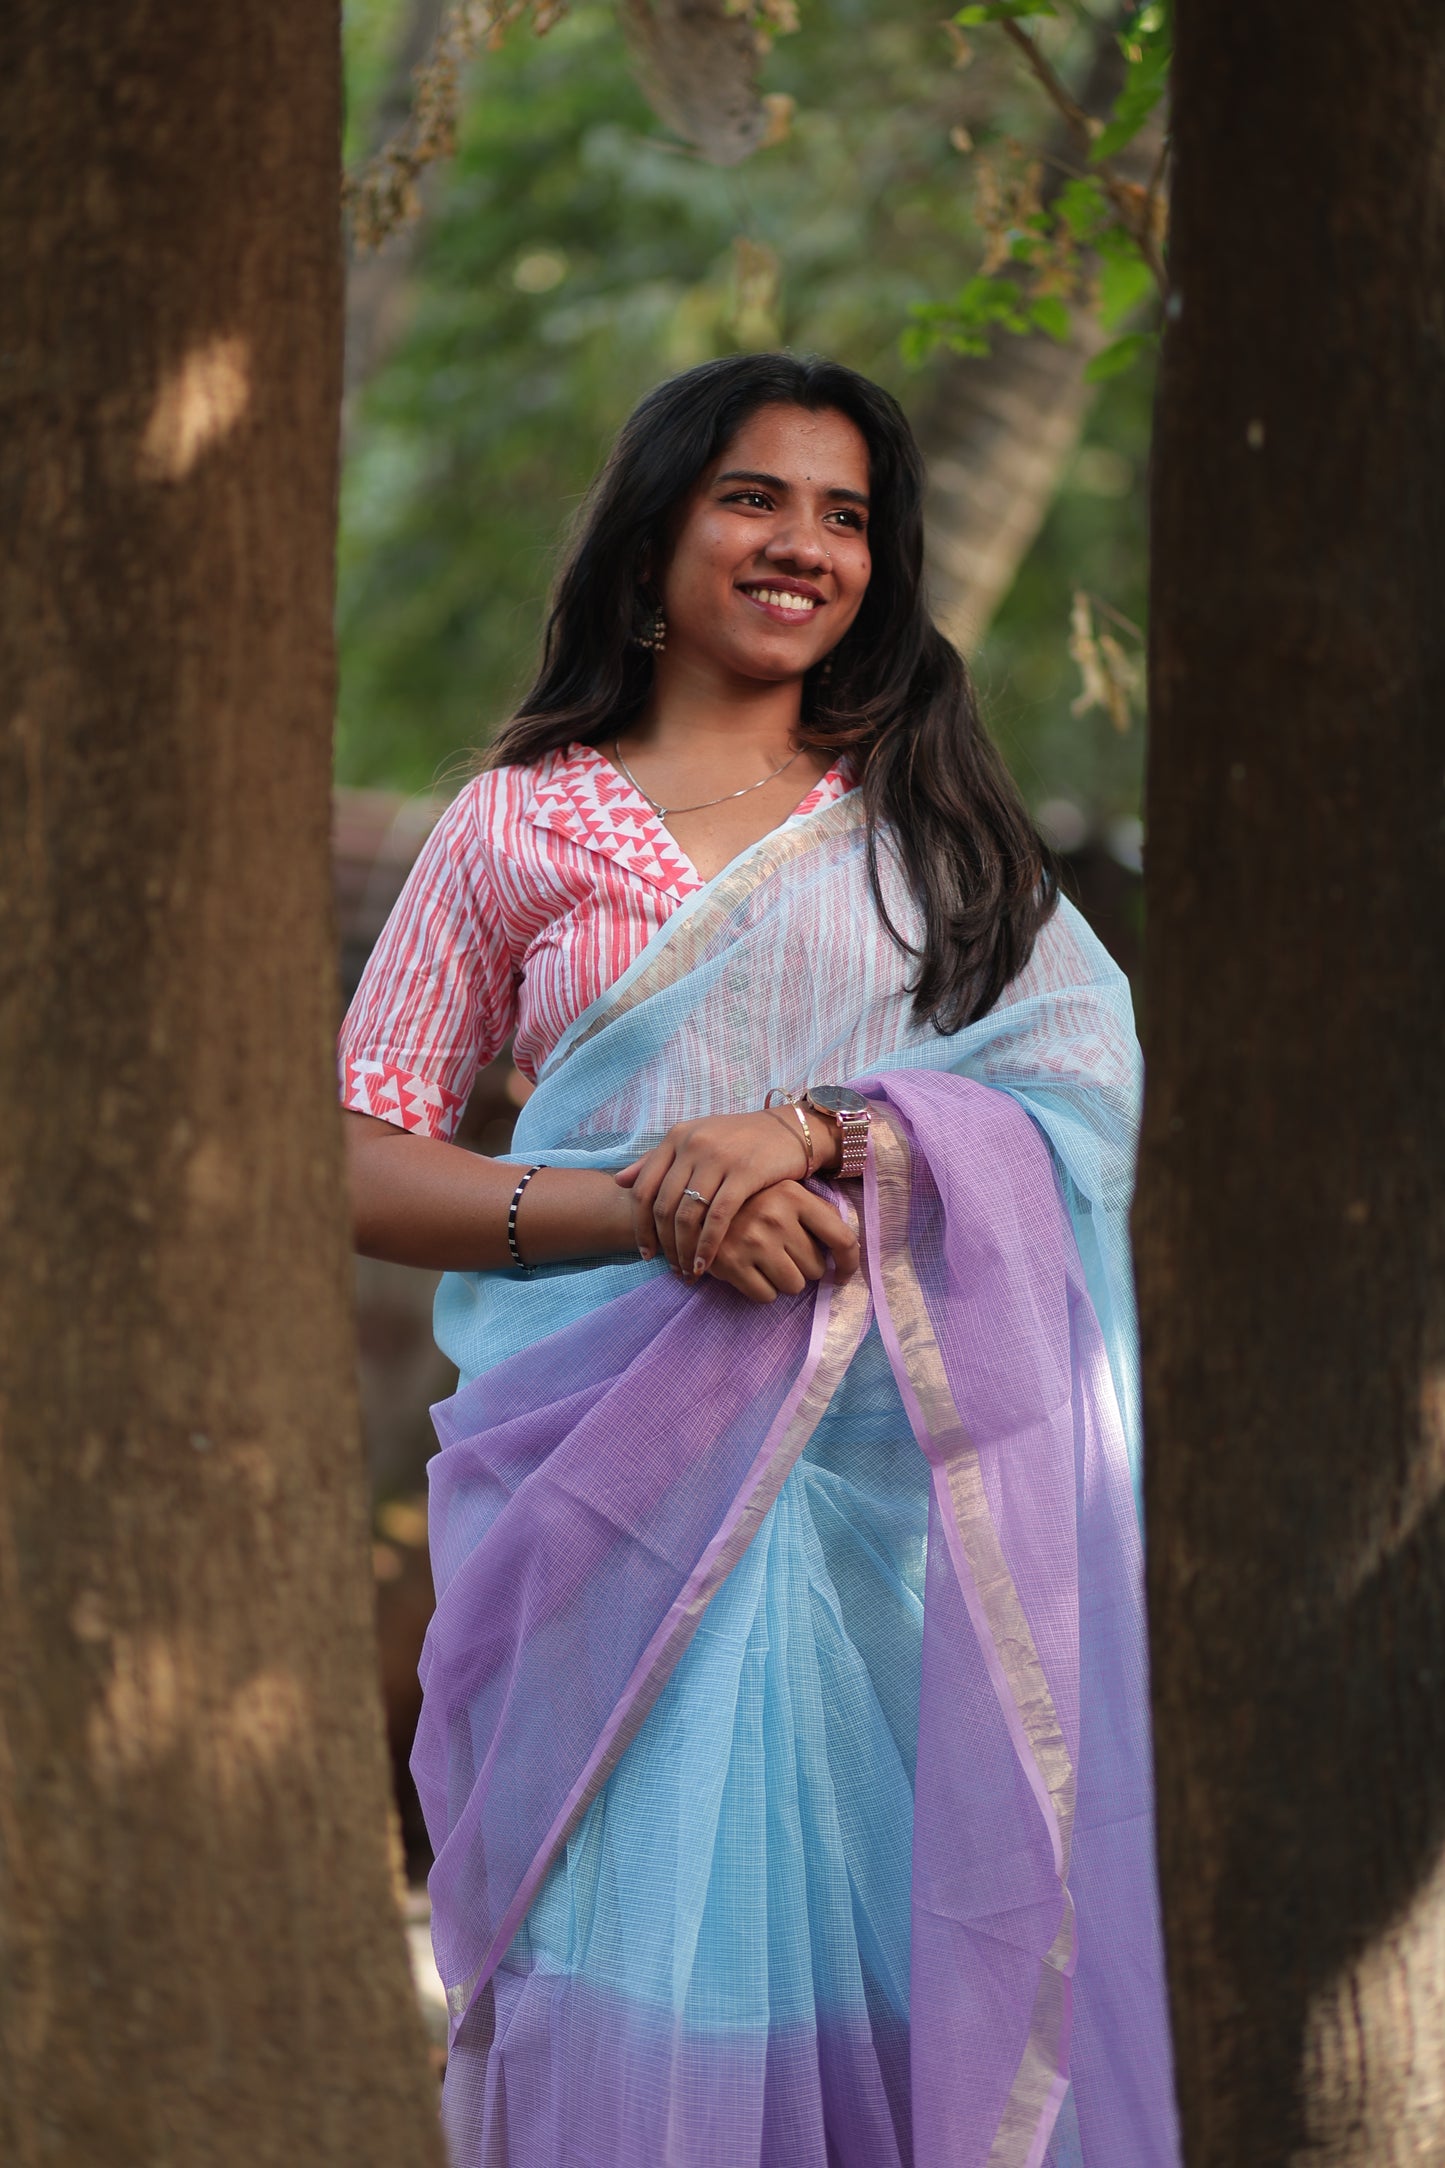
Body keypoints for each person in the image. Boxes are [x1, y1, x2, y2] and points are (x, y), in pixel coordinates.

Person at [339, 353, 1177, 2168]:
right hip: (599, 1505)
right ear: (653, 540)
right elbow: (355, 1153)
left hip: (890, 1517)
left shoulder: (924, 820)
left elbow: (1077, 1084)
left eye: (847, 514)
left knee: (895, 1964)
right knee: (620, 1964)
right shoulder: (518, 822)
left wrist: (819, 1133)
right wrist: (641, 1202)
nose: (802, 543)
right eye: (753, 497)